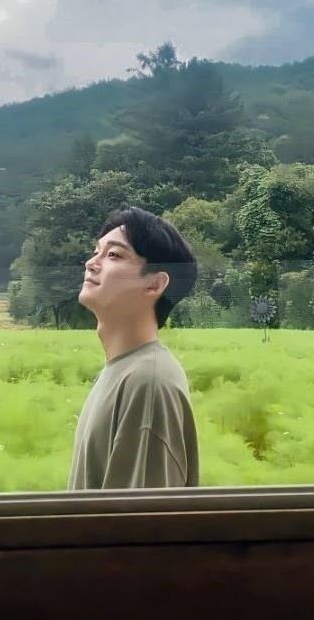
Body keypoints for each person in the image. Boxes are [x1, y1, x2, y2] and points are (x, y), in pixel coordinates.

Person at [67, 206, 199, 490]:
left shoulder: (148, 383)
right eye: (96, 252)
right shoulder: (124, 370)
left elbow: (141, 517)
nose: (91, 263)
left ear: (155, 284)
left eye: (113, 255)